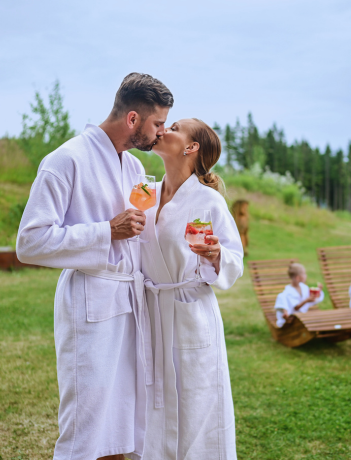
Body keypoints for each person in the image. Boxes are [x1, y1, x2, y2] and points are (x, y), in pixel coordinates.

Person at [16, 73, 174, 460]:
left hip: (132, 304)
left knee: (125, 421)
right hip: (90, 304)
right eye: (157, 124)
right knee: (86, 421)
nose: (161, 132)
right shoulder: (66, 160)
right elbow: (29, 243)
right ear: (133, 119)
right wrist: (105, 232)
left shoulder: (136, 169)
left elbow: (145, 234)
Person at [140, 118, 244, 459]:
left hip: (190, 313)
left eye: (175, 126)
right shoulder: (144, 191)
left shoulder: (208, 201)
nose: (163, 129)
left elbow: (234, 259)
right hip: (150, 309)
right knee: (150, 400)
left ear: (191, 147)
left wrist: (216, 254)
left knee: (195, 401)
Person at [274, 263, 324, 328]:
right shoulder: (288, 292)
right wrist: (306, 300)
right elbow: (296, 307)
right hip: (293, 319)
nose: (306, 275)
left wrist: (318, 292)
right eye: (304, 274)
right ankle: (285, 314)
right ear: (298, 278)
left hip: (303, 316)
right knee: (281, 296)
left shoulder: (304, 287)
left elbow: (313, 300)